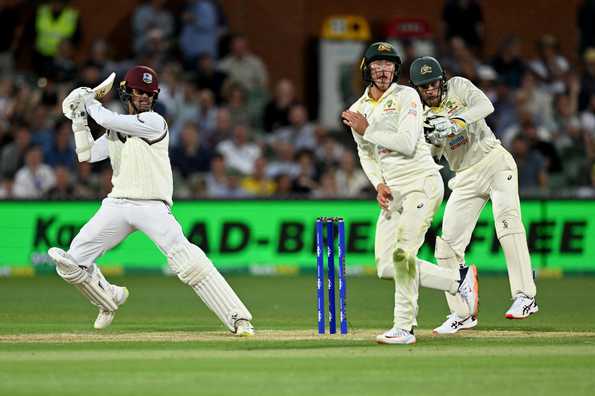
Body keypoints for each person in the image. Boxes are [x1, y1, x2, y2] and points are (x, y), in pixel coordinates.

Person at [49, 65, 254, 336]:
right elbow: (87, 155)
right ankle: (108, 298)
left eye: (149, 93)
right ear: (126, 93)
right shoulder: (115, 128)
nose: (144, 97)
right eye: (138, 91)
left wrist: (88, 102)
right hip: (117, 204)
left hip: (152, 205)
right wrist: (78, 119)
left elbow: (109, 119)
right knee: (71, 263)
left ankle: (239, 318)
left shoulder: (155, 122)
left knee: (188, 261)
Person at [341, 42, 478, 345]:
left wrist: (367, 129)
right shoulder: (357, 109)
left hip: (422, 183)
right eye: (377, 64)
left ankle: (404, 328)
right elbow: (366, 154)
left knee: (404, 255)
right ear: (367, 69)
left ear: (396, 69)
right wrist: (378, 183)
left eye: (389, 65)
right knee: (386, 265)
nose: (383, 70)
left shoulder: (408, 96)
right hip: (394, 192)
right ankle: (459, 280)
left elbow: (405, 142)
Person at [409, 56, 538, 335]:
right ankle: (462, 313)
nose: (430, 90)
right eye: (423, 86)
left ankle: (525, 296)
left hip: (494, 161)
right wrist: (431, 141)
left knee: (507, 222)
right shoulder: (420, 115)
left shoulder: (458, 86)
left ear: (441, 79)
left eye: (433, 83)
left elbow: (485, 105)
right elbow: (432, 156)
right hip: (464, 177)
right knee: (447, 246)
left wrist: (455, 121)